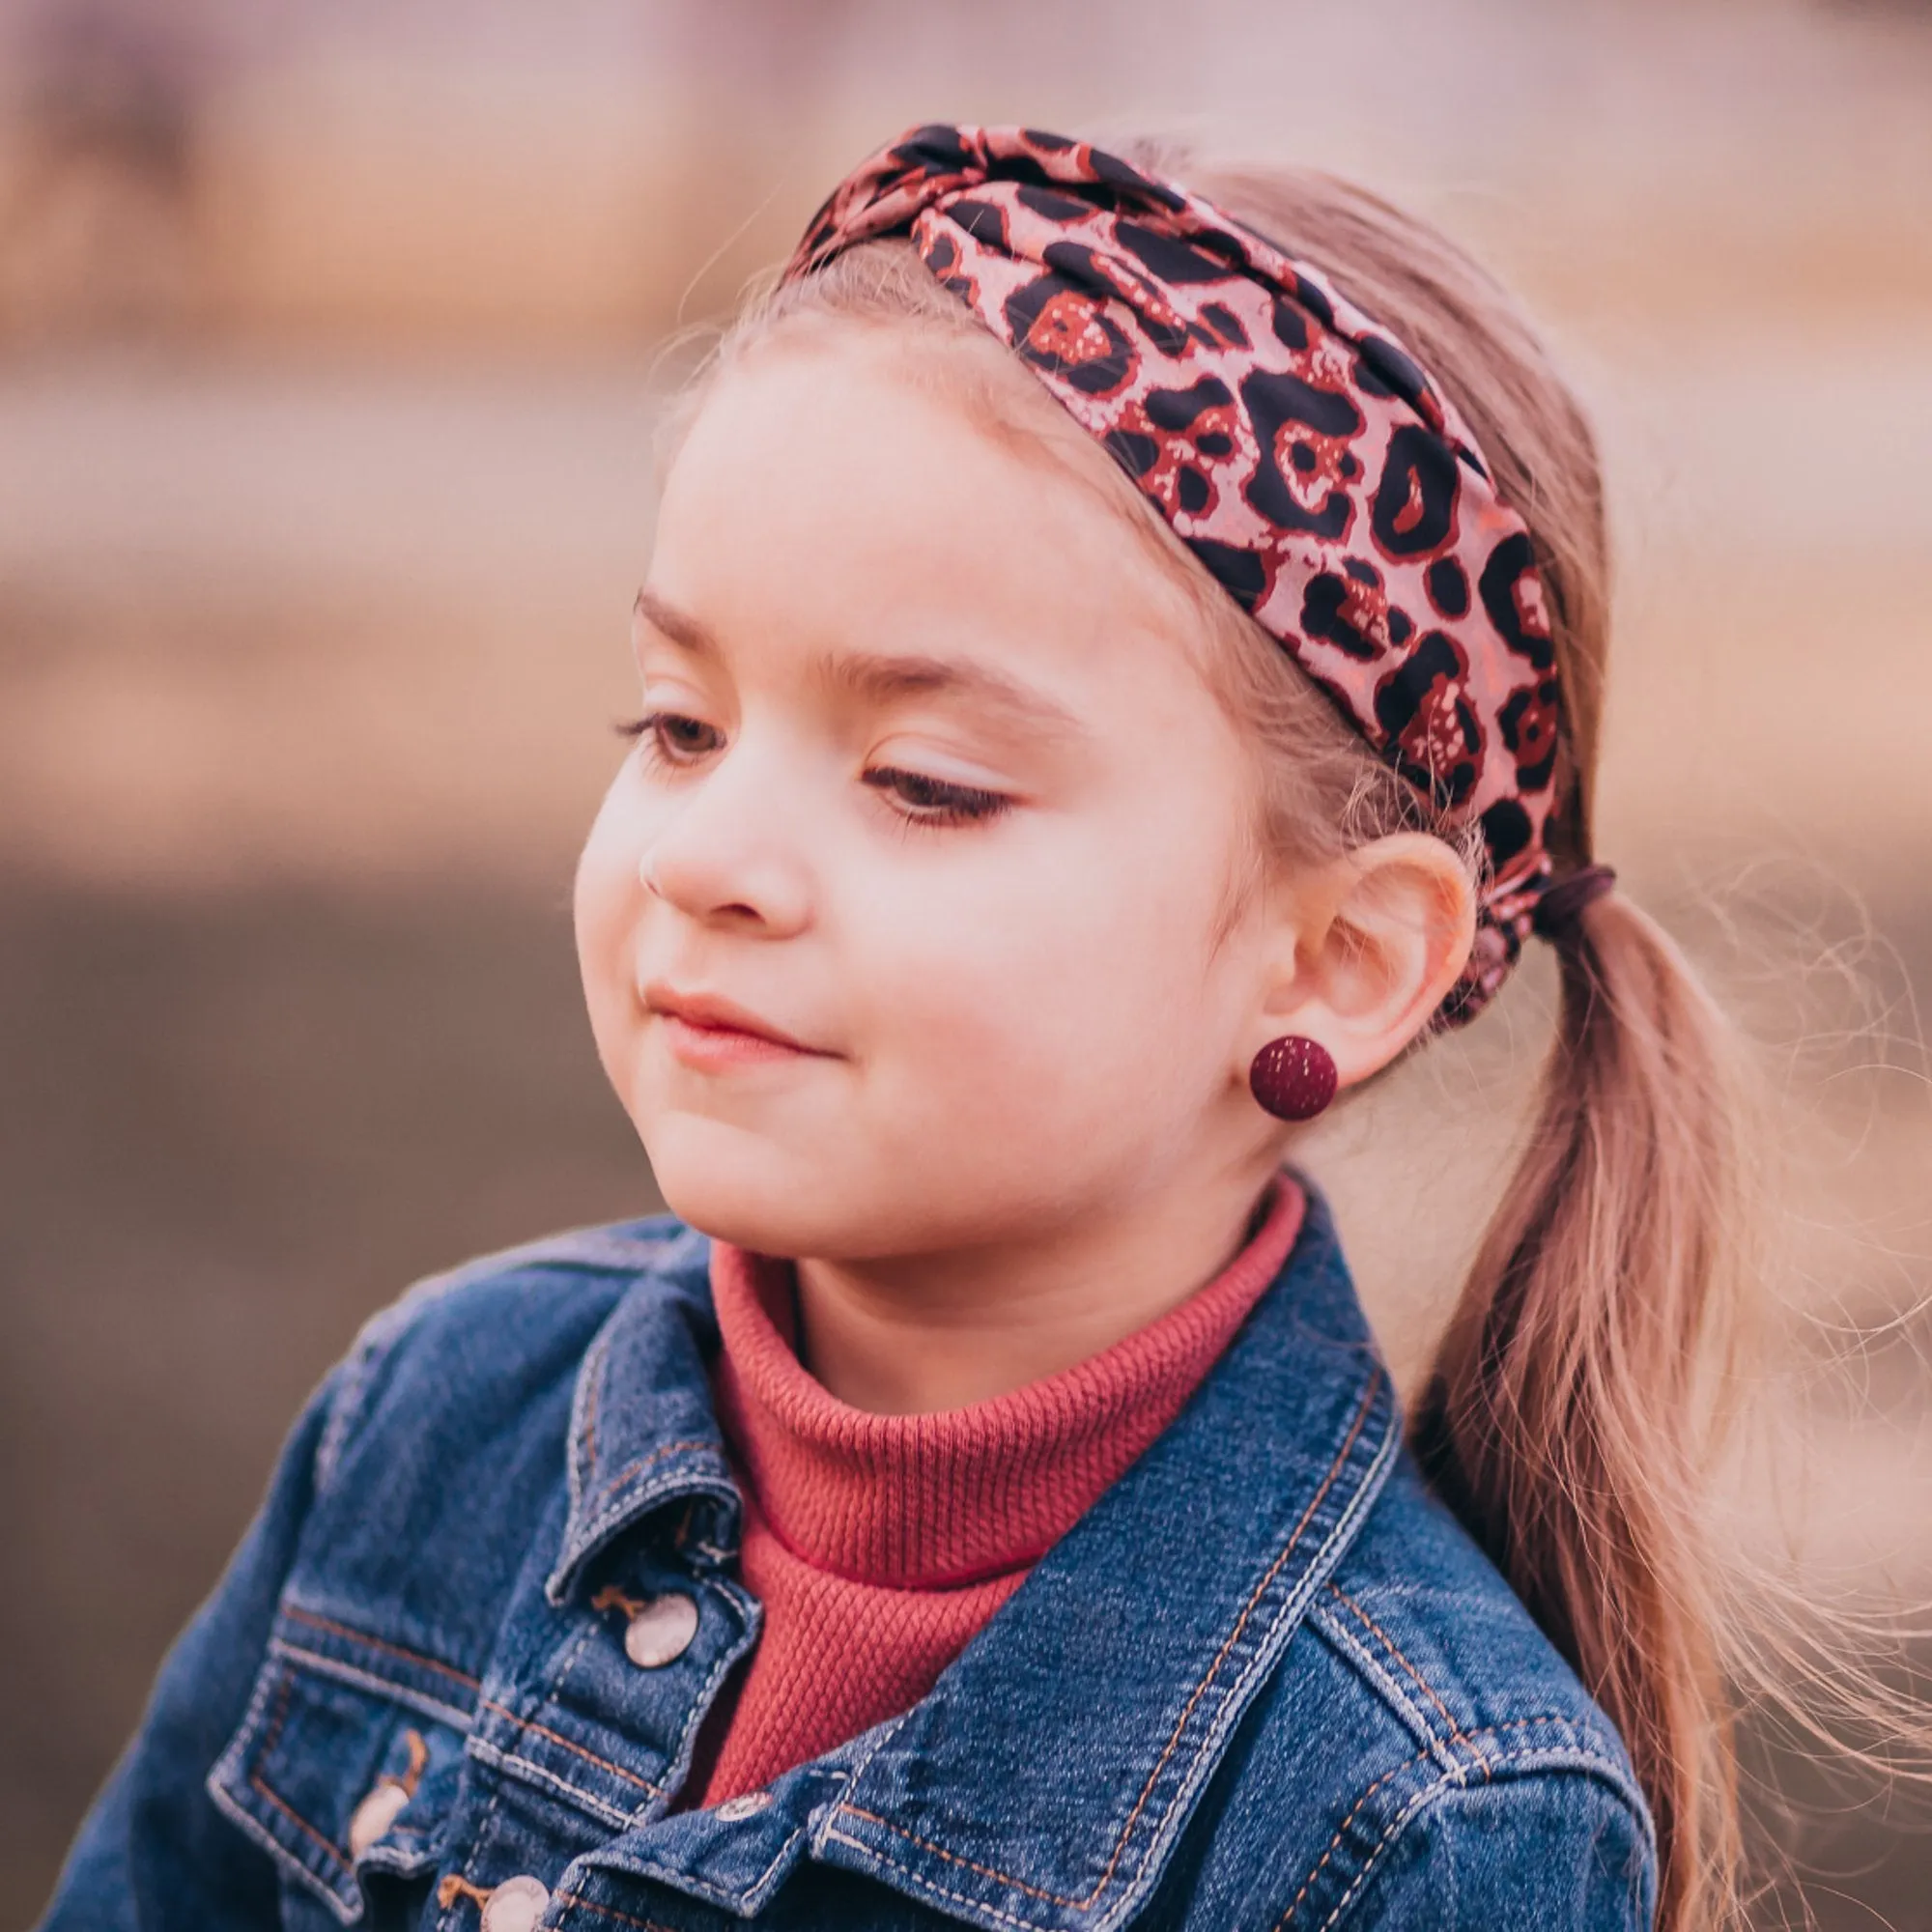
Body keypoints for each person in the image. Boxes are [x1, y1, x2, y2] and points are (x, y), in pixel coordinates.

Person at [43, 123, 1786, 1932]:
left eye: (924, 783)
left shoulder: (1417, 1815)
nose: (709, 856)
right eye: (677, 725)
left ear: (1336, 960)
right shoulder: (431, 1424)